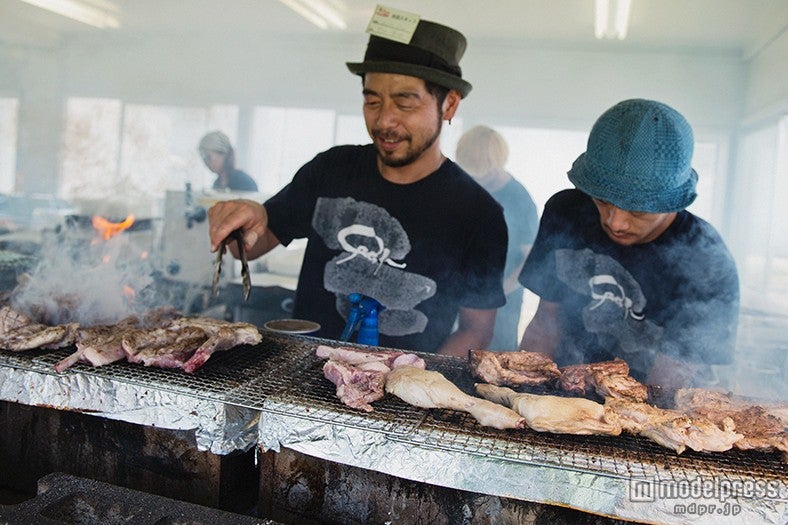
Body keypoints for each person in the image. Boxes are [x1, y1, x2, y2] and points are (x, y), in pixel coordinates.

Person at [207, 17, 507, 357]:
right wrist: (241, 221)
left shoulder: (479, 214)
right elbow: (250, 246)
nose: (384, 121)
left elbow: (476, 330)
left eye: (405, 102)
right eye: (372, 101)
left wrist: (415, 383)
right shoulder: (332, 169)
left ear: (449, 104)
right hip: (301, 381)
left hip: (401, 397)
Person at [518, 98, 739, 390]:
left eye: (638, 211)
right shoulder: (565, 211)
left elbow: (670, 381)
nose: (615, 222)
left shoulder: (707, 261)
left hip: (652, 405)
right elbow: (546, 321)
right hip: (562, 390)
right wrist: (522, 390)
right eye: (603, 200)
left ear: (673, 201)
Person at [456, 125, 539, 350]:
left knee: (496, 358)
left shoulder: (519, 199)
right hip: (459, 295)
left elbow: (528, 259)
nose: (478, 180)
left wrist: (497, 291)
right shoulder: (461, 187)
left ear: (497, 163)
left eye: (484, 173)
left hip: (503, 301)